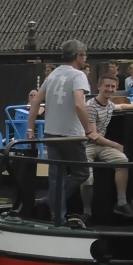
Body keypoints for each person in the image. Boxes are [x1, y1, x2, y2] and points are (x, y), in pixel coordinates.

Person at [29, 39, 95, 228]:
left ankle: (57, 217)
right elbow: (79, 104)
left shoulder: (53, 74)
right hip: (71, 134)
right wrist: (89, 130)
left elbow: (35, 101)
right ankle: (51, 200)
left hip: (51, 132)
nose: (85, 59)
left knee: (55, 175)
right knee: (81, 172)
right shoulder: (78, 76)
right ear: (78, 56)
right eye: (85, 55)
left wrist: (30, 129)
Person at [84, 74, 133, 216]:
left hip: (101, 146)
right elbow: (93, 136)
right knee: (87, 177)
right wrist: (115, 145)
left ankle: (121, 202)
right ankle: (87, 212)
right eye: (107, 86)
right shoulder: (90, 106)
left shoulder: (109, 105)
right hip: (86, 145)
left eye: (113, 87)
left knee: (122, 161)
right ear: (99, 87)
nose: (110, 89)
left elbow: (120, 106)